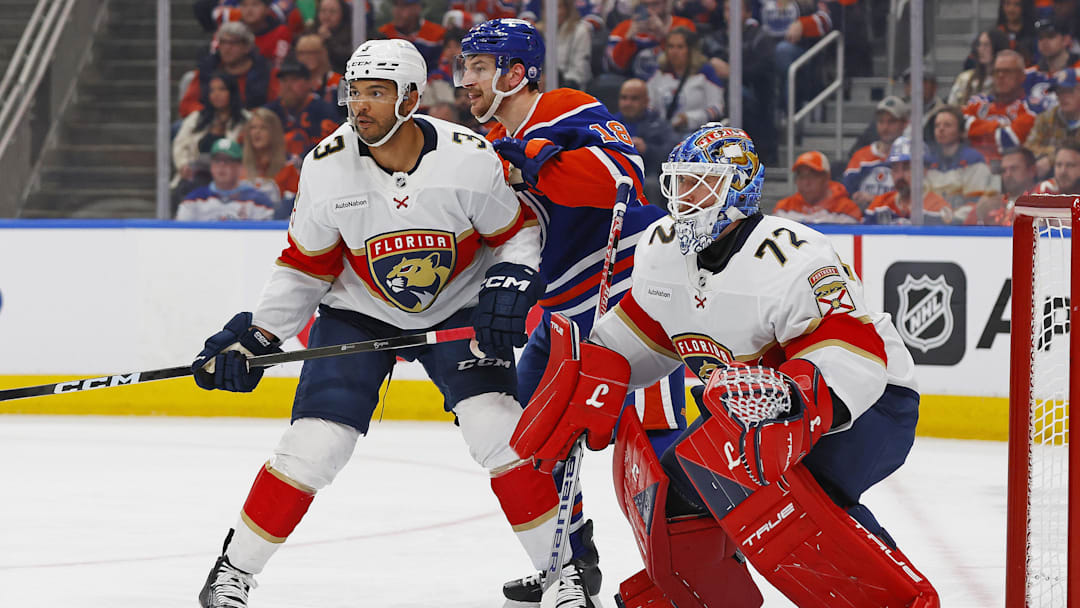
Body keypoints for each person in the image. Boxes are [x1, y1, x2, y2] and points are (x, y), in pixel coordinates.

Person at [195, 39, 562, 608]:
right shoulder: (325, 167)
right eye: (354, 92)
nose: (359, 106)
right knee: (312, 446)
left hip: (457, 311)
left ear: (411, 97)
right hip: (357, 311)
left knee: (499, 432)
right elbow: (305, 264)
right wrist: (259, 334)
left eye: (376, 93)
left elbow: (515, 233)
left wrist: (510, 279)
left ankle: (561, 575)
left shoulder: (468, 158)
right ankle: (232, 570)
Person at [509, 124, 939, 608]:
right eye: (680, 182)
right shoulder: (662, 247)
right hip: (749, 416)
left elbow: (854, 350)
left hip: (866, 404)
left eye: (702, 182)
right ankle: (697, 597)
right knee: (673, 497)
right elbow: (646, 334)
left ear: (740, 187)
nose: (685, 196)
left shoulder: (793, 255)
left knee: (801, 501)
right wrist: (593, 376)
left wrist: (792, 403)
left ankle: (891, 601)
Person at [455, 18, 688, 607]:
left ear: (516, 73)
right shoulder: (488, 147)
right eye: (465, 69)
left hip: (637, 294)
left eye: (480, 68)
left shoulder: (564, 106)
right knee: (532, 437)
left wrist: (536, 159)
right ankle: (569, 563)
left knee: (655, 433)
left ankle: (686, 568)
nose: (467, 81)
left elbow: (621, 178)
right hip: (564, 310)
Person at [180, 22, 280, 118]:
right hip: (210, 123)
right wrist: (211, 115)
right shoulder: (207, 69)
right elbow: (187, 104)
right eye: (223, 42)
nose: (227, 48)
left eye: (233, 43)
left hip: (251, 124)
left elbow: (276, 105)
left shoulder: (265, 71)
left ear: (247, 47)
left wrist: (243, 116)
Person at [962, 49, 1045, 164]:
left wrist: (974, 130)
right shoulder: (978, 102)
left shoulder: (1031, 108)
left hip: (1010, 172)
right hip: (972, 169)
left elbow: (1009, 140)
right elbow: (959, 125)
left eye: (1007, 71)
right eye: (997, 71)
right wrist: (997, 127)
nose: (1001, 76)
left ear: (1022, 76)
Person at [172, 72, 251, 192]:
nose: (216, 94)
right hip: (197, 174)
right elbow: (180, 145)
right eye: (212, 90)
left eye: (222, 89)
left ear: (232, 92)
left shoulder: (246, 120)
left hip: (233, 178)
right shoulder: (196, 118)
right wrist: (183, 165)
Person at [612, 78, 680, 204]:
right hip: (613, 173)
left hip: (648, 174)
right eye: (624, 98)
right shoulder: (609, 124)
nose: (628, 103)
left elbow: (675, 154)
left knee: (651, 185)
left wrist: (647, 149)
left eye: (634, 99)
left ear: (646, 101)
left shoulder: (659, 124)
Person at [176, 138, 279, 221]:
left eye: (227, 160)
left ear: (240, 167)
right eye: (217, 160)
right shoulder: (193, 200)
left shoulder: (259, 202)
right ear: (211, 166)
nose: (221, 166)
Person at [646, 27, 725, 134]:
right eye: (670, 46)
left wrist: (689, 119)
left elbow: (717, 108)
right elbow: (649, 104)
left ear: (691, 50)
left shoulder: (705, 72)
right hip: (663, 134)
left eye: (680, 47)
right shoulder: (659, 72)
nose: (674, 51)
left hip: (696, 134)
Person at [865, 136, 954, 225]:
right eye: (895, 169)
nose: (899, 175)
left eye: (906, 168)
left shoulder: (937, 208)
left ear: (924, 171)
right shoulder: (880, 205)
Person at [925, 105, 996, 216]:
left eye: (947, 125)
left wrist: (951, 217)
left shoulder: (974, 160)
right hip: (933, 222)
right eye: (937, 125)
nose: (941, 129)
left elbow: (976, 205)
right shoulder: (928, 160)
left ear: (961, 132)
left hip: (963, 228)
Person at [264, 59, 340, 161]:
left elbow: (331, 149)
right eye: (283, 80)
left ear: (309, 83)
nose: (288, 86)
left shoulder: (323, 111)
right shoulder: (269, 113)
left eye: (294, 79)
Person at [843, 95, 908, 209]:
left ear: (904, 124)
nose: (885, 127)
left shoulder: (911, 157)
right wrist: (855, 198)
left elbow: (913, 197)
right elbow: (845, 193)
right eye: (880, 121)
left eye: (891, 122)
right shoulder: (861, 156)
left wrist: (875, 199)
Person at [607, 0, 697, 79]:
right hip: (635, 84)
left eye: (655, 4)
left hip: (671, 83)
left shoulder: (684, 25)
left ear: (666, 3)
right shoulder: (623, 28)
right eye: (645, 5)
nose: (649, 10)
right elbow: (616, 66)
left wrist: (663, 35)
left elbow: (689, 62)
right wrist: (628, 39)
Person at [241, 107, 300, 216]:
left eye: (263, 128)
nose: (257, 132)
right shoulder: (239, 164)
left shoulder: (289, 166)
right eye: (253, 128)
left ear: (274, 132)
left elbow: (297, 205)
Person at [774, 150, 862, 224]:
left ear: (826, 177)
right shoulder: (784, 207)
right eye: (801, 176)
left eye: (812, 176)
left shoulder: (847, 209)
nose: (806, 182)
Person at [1025, 67, 1080, 178]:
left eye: (1069, 91)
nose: (1063, 97)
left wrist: (1052, 157)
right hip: (1052, 177)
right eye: (1059, 91)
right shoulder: (1045, 118)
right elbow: (1029, 149)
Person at [968, 146, 1037, 224]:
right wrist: (979, 212)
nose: (1008, 174)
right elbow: (964, 233)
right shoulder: (993, 202)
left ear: (1032, 170)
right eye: (1004, 170)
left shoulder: (1043, 199)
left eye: (1013, 168)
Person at [378, 0, 448, 73]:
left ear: (418, 8)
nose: (397, 11)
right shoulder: (384, 34)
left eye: (403, 6)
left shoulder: (437, 34)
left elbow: (443, 68)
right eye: (396, 5)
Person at [948, 29, 1010, 106]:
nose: (980, 49)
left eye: (986, 45)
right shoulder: (965, 78)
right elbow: (952, 107)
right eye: (979, 45)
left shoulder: (1008, 80)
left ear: (998, 47)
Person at [292, 32, 344, 112]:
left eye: (313, 52)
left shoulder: (337, 81)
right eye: (302, 53)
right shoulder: (293, 82)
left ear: (323, 53)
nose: (307, 57)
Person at [309, 0, 352, 71]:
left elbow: (346, 58)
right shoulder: (311, 31)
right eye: (323, 11)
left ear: (342, 14)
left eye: (332, 11)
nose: (327, 15)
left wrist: (329, 40)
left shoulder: (351, 34)